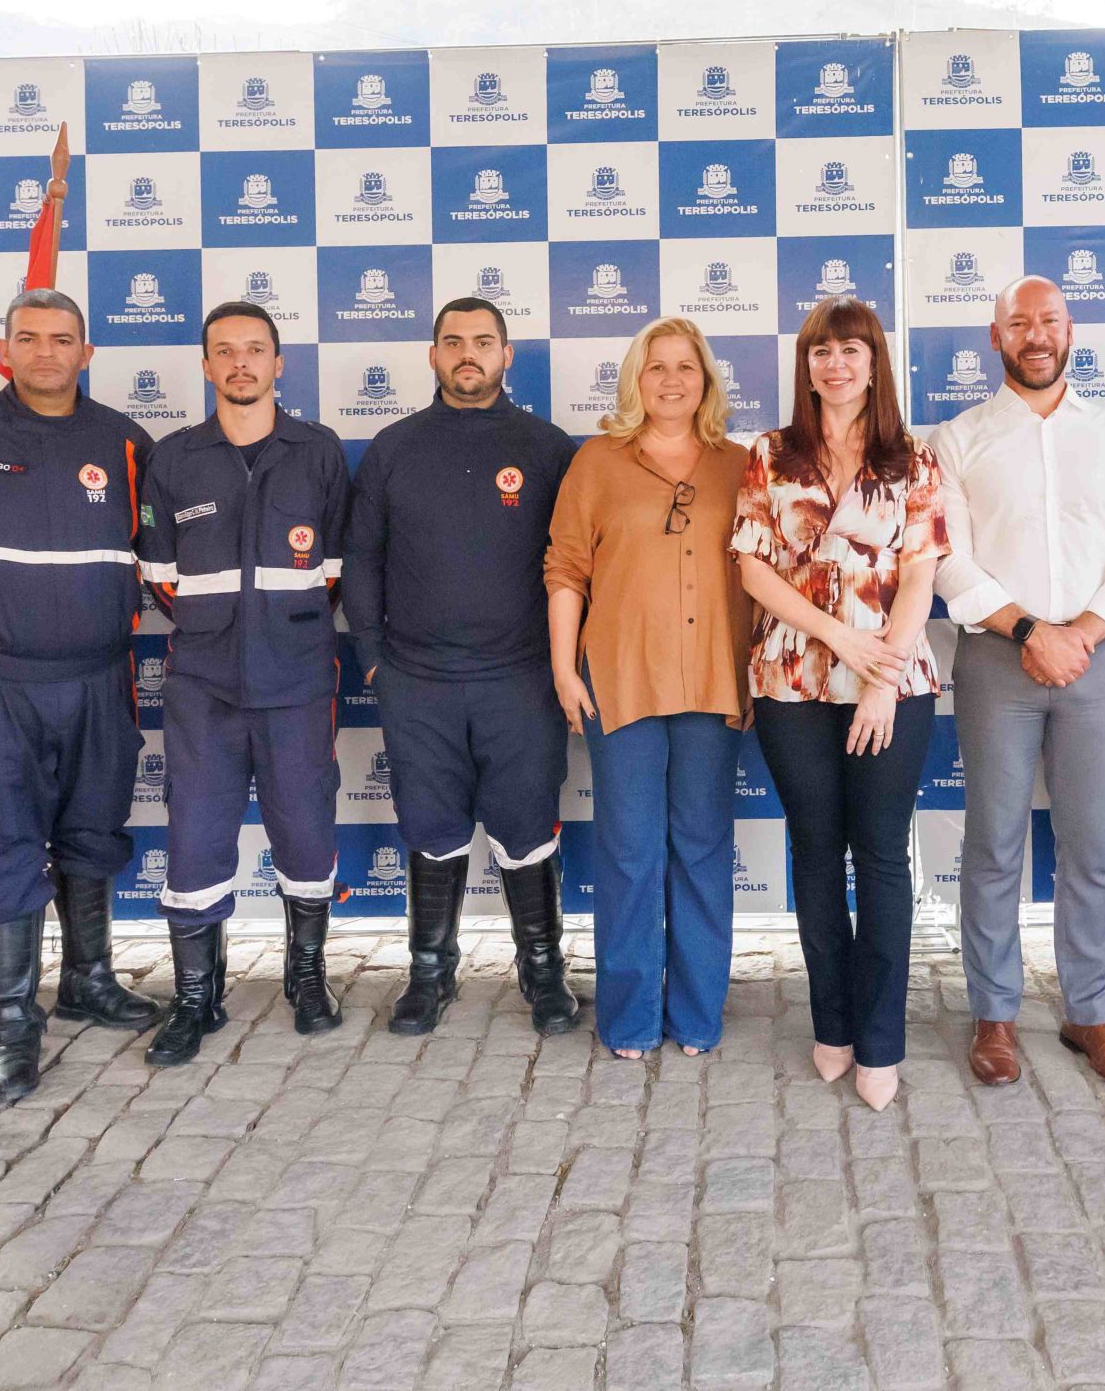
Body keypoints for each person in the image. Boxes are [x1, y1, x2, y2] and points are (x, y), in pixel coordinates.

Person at [0, 289, 162, 1104]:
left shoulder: (125, 442)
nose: (46, 351)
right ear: (3, 348)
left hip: (101, 677)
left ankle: (89, 980)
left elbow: (152, 551)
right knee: (3, 846)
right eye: (29, 337)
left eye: (62, 339)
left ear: (87, 353)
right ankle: (14, 1025)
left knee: (92, 833)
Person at [933, 276, 1105, 1091]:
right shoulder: (957, 439)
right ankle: (994, 1014)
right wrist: (1033, 632)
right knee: (993, 843)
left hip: (1096, 661)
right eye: (1019, 323)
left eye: (1051, 321)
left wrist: (1083, 634)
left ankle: (1089, 1014)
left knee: (1090, 847)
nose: (1036, 335)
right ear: (995, 337)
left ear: (1072, 332)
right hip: (1000, 660)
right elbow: (948, 558)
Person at [342, 297, 580, 1037]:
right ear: (434, 354)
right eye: (453, 341)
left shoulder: (547, 448)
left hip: (521, 679)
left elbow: (578, 564)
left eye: (483, 341)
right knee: (432, 828)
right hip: (418, 682)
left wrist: (563, 665)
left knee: (525, 828)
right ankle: (429, 973)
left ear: (508, 355)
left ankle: (543, 972)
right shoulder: (393, 447)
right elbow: (363, 561)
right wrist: (377, 663)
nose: (468, 353)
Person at [733, 298, 947, 1110]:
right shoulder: (770, 453)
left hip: (893, 681)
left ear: (874, 362)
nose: (836, 364)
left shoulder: (912, 458)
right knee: (816, 852)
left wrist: (880, 677)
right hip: (790, 679)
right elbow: (752, 568)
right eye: (821, 351)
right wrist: (838, 640)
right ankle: (831, 1024)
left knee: (883, 856)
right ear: (806, 366)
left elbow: (921, 573)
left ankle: (882, 1038)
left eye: (851, 350)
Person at [135, 300, 350, 1064]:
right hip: (202, 682)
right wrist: (221, 628)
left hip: (296, 679)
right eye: (224, 350)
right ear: (205, 365)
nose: (240, 364)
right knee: (193, 836)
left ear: (278, 362)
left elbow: (335, 572)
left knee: (306, 827)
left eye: (255, 349)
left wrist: (278, 626)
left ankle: (308, 973)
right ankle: (198, 995)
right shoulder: (174, 457)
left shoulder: (319, 451)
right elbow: (159, 576)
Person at [545, 318, 754, 1060]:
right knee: (631, 851)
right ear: (635, 379)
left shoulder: (741, 463)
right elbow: (566, 569)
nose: (671, 380)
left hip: (713, 678)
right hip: (621, 680)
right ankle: (629, 1018)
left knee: (701, 849)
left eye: (686, 368)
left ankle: (697, 1015)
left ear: (706, 380)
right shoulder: (597, 461)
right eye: (656, 367)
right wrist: (565, 668)